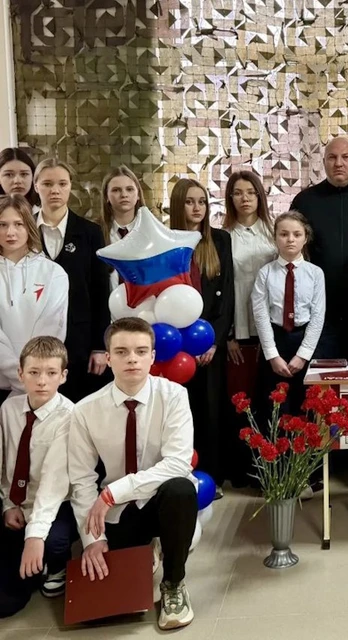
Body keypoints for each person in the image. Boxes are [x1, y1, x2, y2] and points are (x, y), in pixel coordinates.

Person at [68, 318, 198, 630]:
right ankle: (144, 547)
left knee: (181, 488)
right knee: (111, 606)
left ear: (152, 356)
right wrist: (93, 539)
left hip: (160, 500)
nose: (132, 359)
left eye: (141, 351)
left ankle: (174, 583)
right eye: (122, 352)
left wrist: (113, 492)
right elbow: (81, 479)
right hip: (118, 510)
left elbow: (178, 463)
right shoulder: (85, 410)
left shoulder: (174, 396)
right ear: (108, 358)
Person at [0, 337, 76, 617]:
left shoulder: (69, 416)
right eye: (33, 372)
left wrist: (34, 536)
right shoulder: (8, 409)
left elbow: (54, 483)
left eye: (51, 373)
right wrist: (8, 505)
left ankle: (55, 565)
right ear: (20, 374)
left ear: (63, 376)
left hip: (55, 504)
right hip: (16, 504)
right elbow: (5, 464)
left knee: (53, 541)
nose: (42, 381)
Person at [169, 178, 234, 497]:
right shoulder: (167, 241)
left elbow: (227, 296)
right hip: (174, 347)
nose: (197, 208)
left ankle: (213, 476)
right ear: (178, 205)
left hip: (209, 343)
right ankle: (181, 475)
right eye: (190, 202)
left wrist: (213, 341)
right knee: (181, 413)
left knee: (210, 411)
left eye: (202, 202)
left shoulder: (220, 240)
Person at [291, 137, 348, 360]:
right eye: (332, 157)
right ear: (323, 162)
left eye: (345, 157)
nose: (338, 163)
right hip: (318, 310)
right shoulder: (305, 201)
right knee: (322, 376)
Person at [33, 158, 111, 402]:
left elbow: (100, 291)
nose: (55, 190)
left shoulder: (90, 232)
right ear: (36, 186)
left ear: (70, 186)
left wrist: (100, 346)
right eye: (47, 184)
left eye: (62, 183)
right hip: (34, 338)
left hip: (79, 341)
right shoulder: (24, 231)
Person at [222, 170, 276, 488]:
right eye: (238, 193)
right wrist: (228, 333)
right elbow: (221, 289)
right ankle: (242, 469)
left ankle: (268, 468)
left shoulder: (273, 232)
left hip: (271, 329)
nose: (245, 199)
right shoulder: (223, 236)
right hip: (239, 329)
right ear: (230, 198)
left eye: (251, 192)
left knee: (267, 401)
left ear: (260, 196)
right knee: (241, 403)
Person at [251, 211, 326, 418]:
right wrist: (272, 355)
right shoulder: (265, 273)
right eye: (284, 234)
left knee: (305, 408)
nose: (290, 239)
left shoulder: (315, 273)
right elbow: (261, 315)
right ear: (275, 238)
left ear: (305, 238)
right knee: (274, 408)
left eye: (297, 234)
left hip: (304, 342)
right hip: (275, 341)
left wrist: (303, 356)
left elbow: (318, 316)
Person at [0, 195, 69, 405]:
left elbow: (52, 330)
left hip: (40, 384)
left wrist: (32, 376)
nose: (10, 232)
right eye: (2, 225)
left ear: (29, 226)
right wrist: (20, 378)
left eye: (18, 224)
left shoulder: (54, 273)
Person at [100, 166, 146, 291]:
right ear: (106, 196)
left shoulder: (151, 232)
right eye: (116, 190)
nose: (124, 195)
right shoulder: (95, 232)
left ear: (138, 195)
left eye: (129, 189)